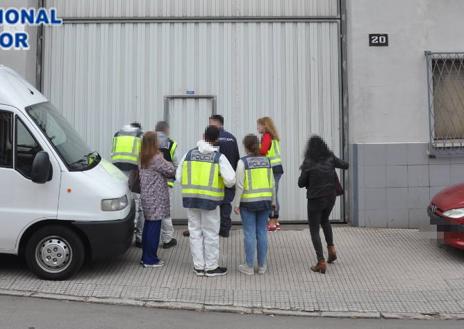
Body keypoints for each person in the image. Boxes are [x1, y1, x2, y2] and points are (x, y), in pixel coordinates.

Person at [176, 126, 236, 277]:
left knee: (195, 232)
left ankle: (198, 266)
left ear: (203, 136)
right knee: (210, 234)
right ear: (217, 139)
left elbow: (178, 176)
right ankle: (211, 267)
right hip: (210, 202)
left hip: (191, 200)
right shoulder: (218, 157)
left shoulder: (188, 154)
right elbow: (230, 180)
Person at [298, 135, 349, 274]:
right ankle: (331, 249)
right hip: (330, 196)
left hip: (315, 199)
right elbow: (345, 165)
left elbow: (300, 183)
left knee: (314, 229)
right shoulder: (330, 157)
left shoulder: (309, 162)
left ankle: (321, 262)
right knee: (325, 220)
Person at [233, 134, 275, 276]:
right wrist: (273, 201)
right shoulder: (267, 161)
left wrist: (236, 203)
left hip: (248, 203)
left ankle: (249, 266)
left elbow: (239, 185)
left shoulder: (242, 162)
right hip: (265, 202)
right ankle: (262, 266)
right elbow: (272, 183)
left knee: (249, 233)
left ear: (245, 147)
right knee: (262, 232)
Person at [139, 131, 176, 268]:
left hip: (147, 196)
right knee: (154, 229)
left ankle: (145, 257)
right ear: (153, 142)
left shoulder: (142, 156)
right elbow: (171, 170)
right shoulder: (156, 158)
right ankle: (150, 260)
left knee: (148, 227)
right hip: (156, 198)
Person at [111, 122, 145, 247]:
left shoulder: (118, 134)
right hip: (135, 171)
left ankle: (122, 236)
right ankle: (139, 238)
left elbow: (112, 153)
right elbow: (143, 156)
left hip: (117, 171)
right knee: (138, 204)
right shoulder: (140, 135)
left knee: (122, 202)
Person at [209, 114, 240, 238]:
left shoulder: (213, 138)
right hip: (229, 175)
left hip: (216, 176)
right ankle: (225, 229)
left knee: (215, 203)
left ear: (216, 123)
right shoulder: (232, 138)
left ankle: (214, 228)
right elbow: (237, 158)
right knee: (226, 202)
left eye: (210, 123)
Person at [257, 117, 284, 232]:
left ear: (265, 125)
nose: (257, 128)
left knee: (272, 195)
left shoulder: (267, 136)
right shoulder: (274, 137)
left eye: (259, 125)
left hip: (271, 169)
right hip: (277, 168)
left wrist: (254, 151)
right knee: (274, 194)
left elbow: (263, 151)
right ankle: (275, 221)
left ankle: (272, 220)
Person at [155, 121, 178, 249]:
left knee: (147, 211)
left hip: (149, 184)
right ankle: (167, 239)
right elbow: (176, 164)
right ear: (166, 130)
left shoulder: (146, 142)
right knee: (165, 212)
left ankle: (141, 238)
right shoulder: (171, 143)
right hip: (166, 183)